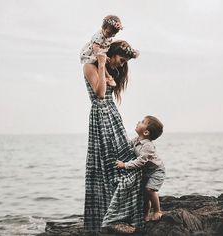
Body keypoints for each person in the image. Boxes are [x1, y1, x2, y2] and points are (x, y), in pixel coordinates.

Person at [83, 40, 142, 233]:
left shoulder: (110, 71)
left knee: (126, 162)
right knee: (106, 166)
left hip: (112, 115)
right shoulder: (90, 66)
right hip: (101, 116)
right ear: (112, 53)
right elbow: (100, 94)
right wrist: (100, 63)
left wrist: (106, 67)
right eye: (122, 60)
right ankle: (109, 217)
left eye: (125, 62)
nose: (122, 64)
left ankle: (121, 214)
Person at [116, 115, 165, 222]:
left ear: (146, 132)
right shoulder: (136, 140)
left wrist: (124, 165)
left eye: (143, 122)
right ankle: (145, 215)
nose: (138, 121)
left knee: (149, 190)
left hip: (156, 171)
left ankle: (157, 210)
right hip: (146, 172)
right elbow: (128, 146)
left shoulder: (148, 146)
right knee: (144, 195)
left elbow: (140, 162)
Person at [80, 15, 123, 87]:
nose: (111, 35)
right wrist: (104, 56)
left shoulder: (108, 35)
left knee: (103, 64)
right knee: (102, 63)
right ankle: (108, 77)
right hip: (93, 53)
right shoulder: (99, 36)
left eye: (114, 34)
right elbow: (95, 47)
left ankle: (105, 77)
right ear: (103, 28)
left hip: (100, 51)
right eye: (109, 33)